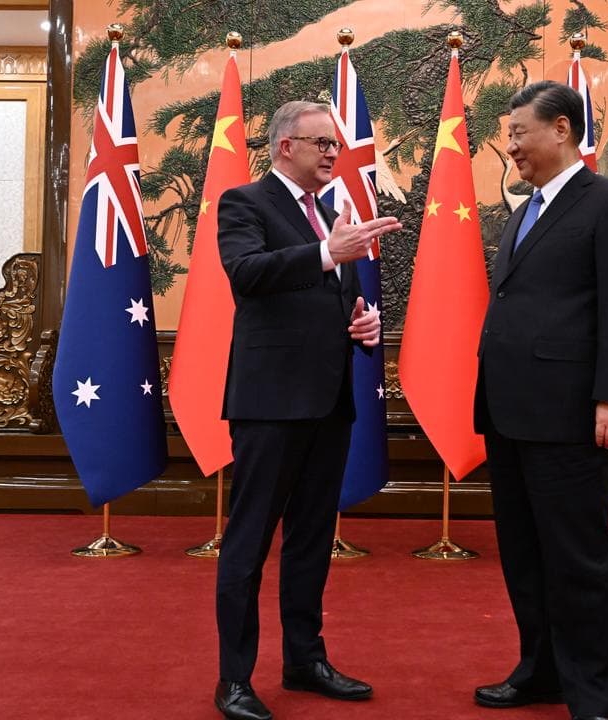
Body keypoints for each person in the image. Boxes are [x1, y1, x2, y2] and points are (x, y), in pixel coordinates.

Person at [212, 100, 402, 720]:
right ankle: (235, 680)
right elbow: (247, 273)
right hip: (270, 403)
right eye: (322, 143)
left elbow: (327, 295)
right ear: (285, 145)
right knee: (248, 543)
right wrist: (328, 255)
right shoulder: (245, 202)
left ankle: (303, 660)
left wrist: (361, 321)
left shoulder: (327, 214)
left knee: (313, 539)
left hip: (328, 401)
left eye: (336, 146)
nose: (332, 155)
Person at [472, 81, 608, 720]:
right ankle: (540, 671)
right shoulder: (524, 212)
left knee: (578, 559)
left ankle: (595, 692)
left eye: (520, 132)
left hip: (574, 414)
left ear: (561, 129)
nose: (512, 146)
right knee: (525, 556)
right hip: (509, 412)